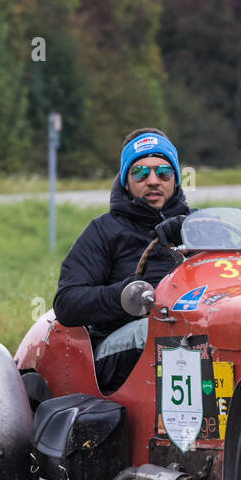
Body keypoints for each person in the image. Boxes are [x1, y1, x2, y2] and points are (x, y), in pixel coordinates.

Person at [54, 128, 191, 392]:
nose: (153, 181)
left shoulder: (198, 224)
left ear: (175, 179)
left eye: (163, 172)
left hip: (190, 327)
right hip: (118, 344)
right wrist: (127, 295)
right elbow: (66, 303)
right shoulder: (102, 231)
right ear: (126, 181)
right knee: (163, 333)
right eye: (140, 172)